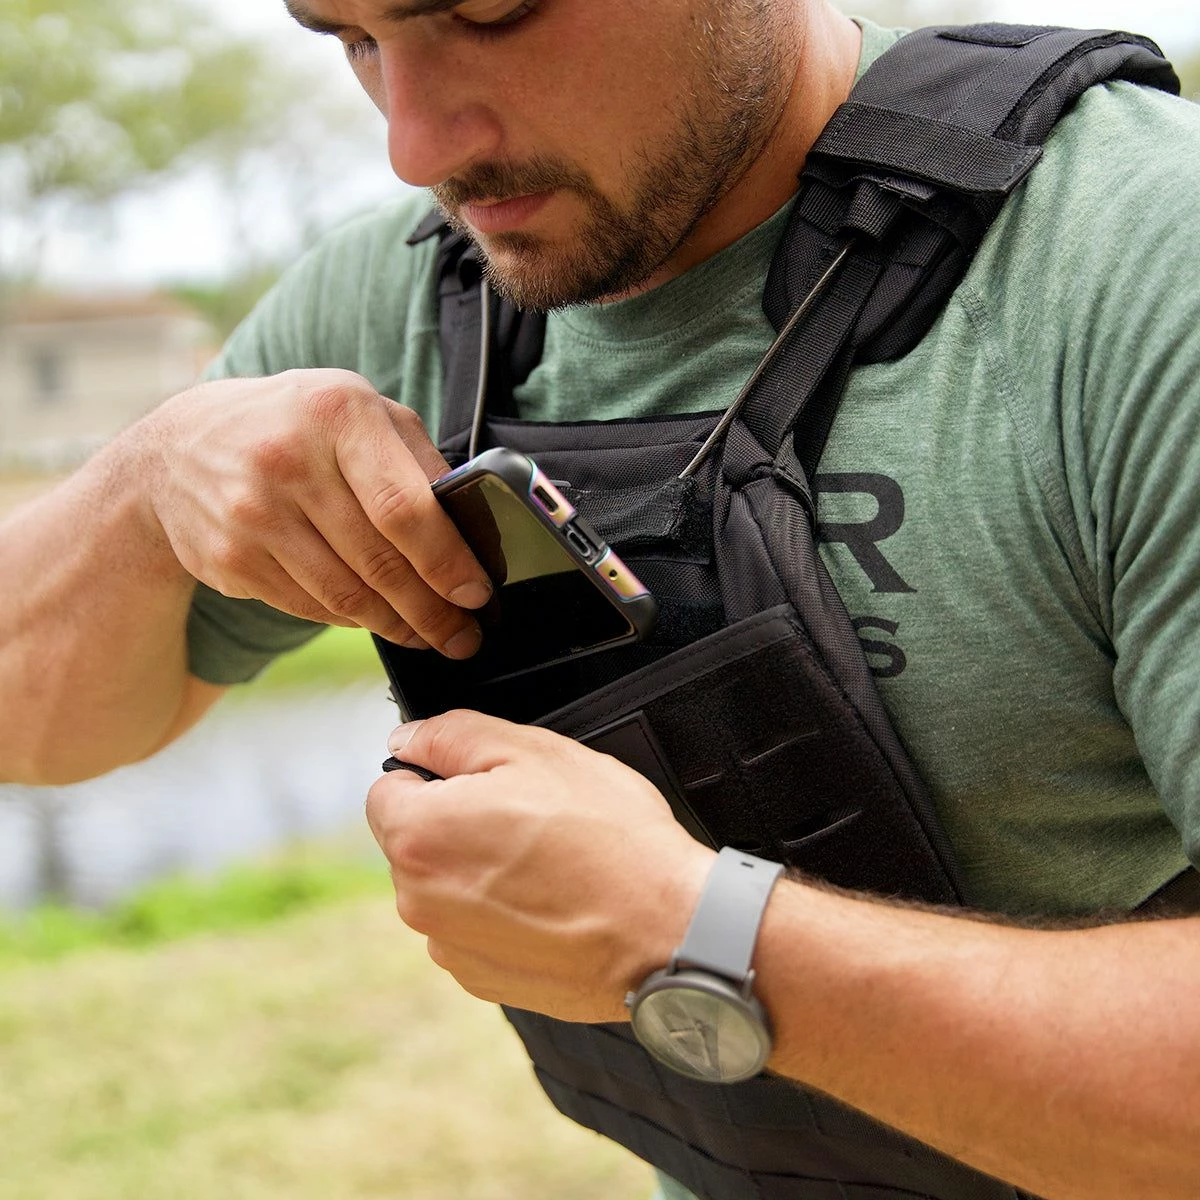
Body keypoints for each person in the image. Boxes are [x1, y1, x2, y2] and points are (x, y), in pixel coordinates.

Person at [3, 1, 1199, 1196]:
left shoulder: (1139, 269)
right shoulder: (400, 305)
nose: (415, 146)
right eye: (353, 40)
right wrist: (143, 486)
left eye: (490, 12)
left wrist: (704, 941)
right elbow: (33, 723)